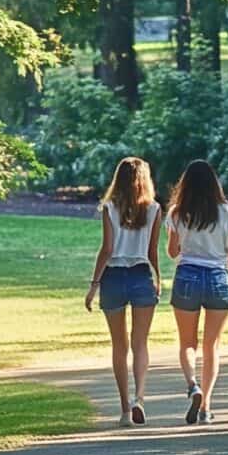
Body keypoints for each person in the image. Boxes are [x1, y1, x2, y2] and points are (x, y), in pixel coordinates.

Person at [85, 157, 162, 427]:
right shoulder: (153, 209)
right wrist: (158, 278)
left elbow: (106, 249)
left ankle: (125, 410)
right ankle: (140, 397)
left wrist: (93, 285)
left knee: (120, 345)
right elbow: (152, 251)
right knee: (141, 343)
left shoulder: (109, 208)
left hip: (113, 277)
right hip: (142, 274)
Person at [166, 160, 228, 425]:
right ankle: (206, 406)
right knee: (212, 346)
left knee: (187, 343)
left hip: (187, 275)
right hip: (218, 277)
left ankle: (192, 385)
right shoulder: (227, 212)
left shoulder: (177, 212)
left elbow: (174, 252)